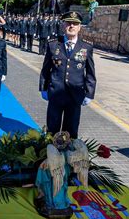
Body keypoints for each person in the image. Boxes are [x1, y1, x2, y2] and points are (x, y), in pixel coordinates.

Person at [39, 11, 96, 139]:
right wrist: (43, 88)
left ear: (79, 27)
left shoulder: (86, 47)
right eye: (68, 23)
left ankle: (69, 158)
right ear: (63, 25)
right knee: (52, 129)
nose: (72, 26)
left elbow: (90, 73)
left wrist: (89, 93)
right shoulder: (53, 44)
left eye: (75, 24)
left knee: (71, 130)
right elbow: (46, 68)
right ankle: (50, 156)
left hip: (75, 95)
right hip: (56, 93)